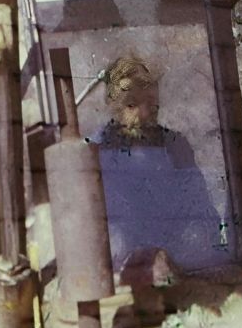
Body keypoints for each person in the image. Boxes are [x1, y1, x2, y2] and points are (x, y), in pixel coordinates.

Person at [89, 53, 226, 276]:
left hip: (178, 268)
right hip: (119, 279)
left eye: (152, 105)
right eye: (132, 104)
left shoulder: (176, 147)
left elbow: (202, 216)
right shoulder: (93, 153)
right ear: (113, 106)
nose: (144, 115)